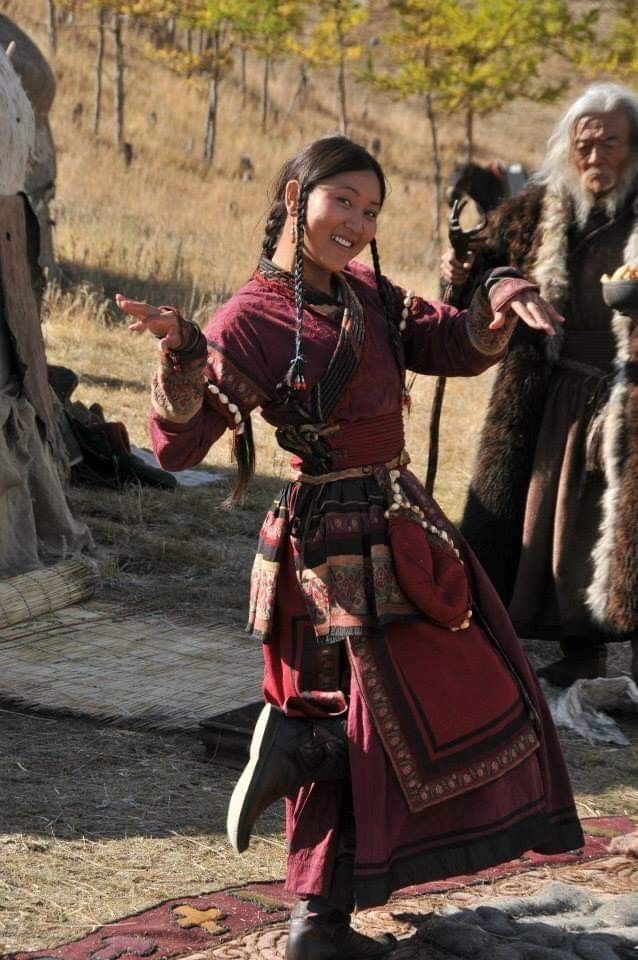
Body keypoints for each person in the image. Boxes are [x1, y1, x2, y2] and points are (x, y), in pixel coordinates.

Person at [119, 136, 583, 960]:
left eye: (372, 211)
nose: (360, 224)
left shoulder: (367, 294)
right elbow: (184, 446)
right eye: (345, 203)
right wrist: (184, 353)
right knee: (420, 710)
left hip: (400, 532)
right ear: (297, 196)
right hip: (332, 550)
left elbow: (449, 343)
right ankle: (308, 801)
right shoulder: (254, 317)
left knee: (426, 713)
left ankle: (319, 920)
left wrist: (497, 296)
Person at [442, 82, 638, 688]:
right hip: (552, 389)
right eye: (584, 144)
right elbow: (482, 281)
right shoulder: (536, 209)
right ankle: (579, 648)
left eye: (610, 142)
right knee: (554, 520)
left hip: (629, 388)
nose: (595, 156)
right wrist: (467, 273)